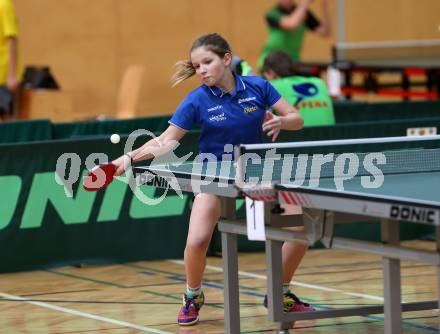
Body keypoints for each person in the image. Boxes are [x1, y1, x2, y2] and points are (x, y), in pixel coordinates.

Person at [112, 33, 313, 326]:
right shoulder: (196, 100)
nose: (202, 70)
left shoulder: (258, 87)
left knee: (298, 230)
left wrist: (282, 121)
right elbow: (166, 141)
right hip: (213, 175)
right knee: (197, 240)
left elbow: (297, 119)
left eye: (207, 62)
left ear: (227, 59)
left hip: (258, 174)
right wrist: (127, 159)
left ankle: (279, 292)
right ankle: (193, 295)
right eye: (197, 66)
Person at [262, 50, 335, 126]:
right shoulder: (319, 82)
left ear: (271, 72)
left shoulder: (271, 85)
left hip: (298, 136)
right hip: (331, 136)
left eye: (265, 76)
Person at [258, 0, 331, 69]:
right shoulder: (273, 13)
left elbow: (325, 32)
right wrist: (305, 2)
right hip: (271, 61)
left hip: (292, 62)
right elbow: (292, 24)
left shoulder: (303, 12)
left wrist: (324, 8)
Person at [0, 0, 21, 119]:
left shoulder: (4, 5)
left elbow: (12, 38)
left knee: (4, 120)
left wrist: (11, 75)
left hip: (3, 76)